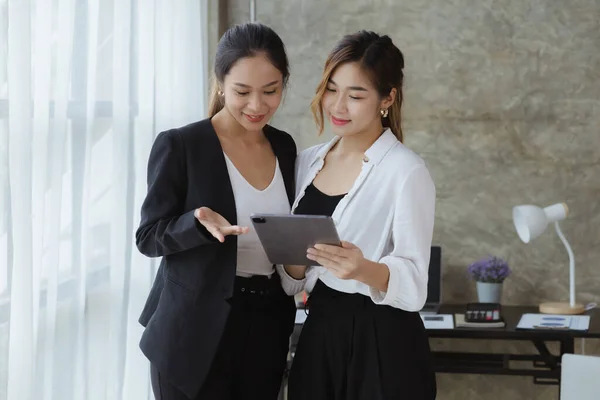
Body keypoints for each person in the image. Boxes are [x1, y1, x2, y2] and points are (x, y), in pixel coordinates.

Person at [135, 22, 297, 400]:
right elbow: (147, 237)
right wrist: (194, 223)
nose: (257, 106)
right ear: (221, 82)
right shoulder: (182, 144)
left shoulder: (285, 147)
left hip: (266, 327)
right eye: (242, 92)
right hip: (191, 333)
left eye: (270, 91)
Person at [277, 31, 437, 399]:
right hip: (320, 332)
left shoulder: (406, 171)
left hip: (384, 341)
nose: (338, 106)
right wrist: (295, 265)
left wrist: (361, 268)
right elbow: (293, 279)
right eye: (332, 89)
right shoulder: (306, 162)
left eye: (356, 95)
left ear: (388, 97)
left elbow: (414, 286)